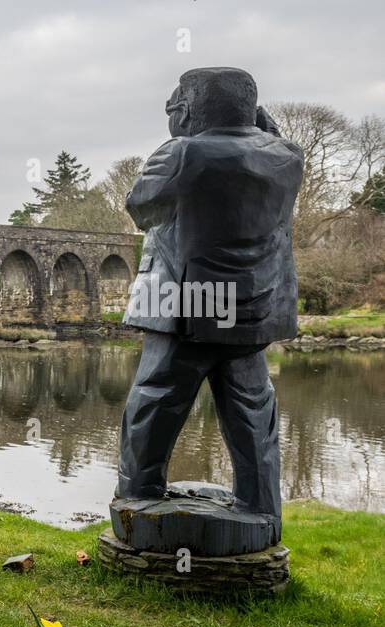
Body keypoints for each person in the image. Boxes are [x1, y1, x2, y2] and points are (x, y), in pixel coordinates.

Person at [117, 67, 303, 535]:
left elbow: (142, 206)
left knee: (157, 399)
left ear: (197, 106)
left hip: (189, 305)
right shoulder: (287, 157)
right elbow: (270, 144)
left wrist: (181, 138)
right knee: (251, 407)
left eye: (179, 101)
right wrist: (261, 126)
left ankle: (139, 492)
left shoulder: (183, 153)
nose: (173, 110)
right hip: (253, 309)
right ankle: (260, 504)